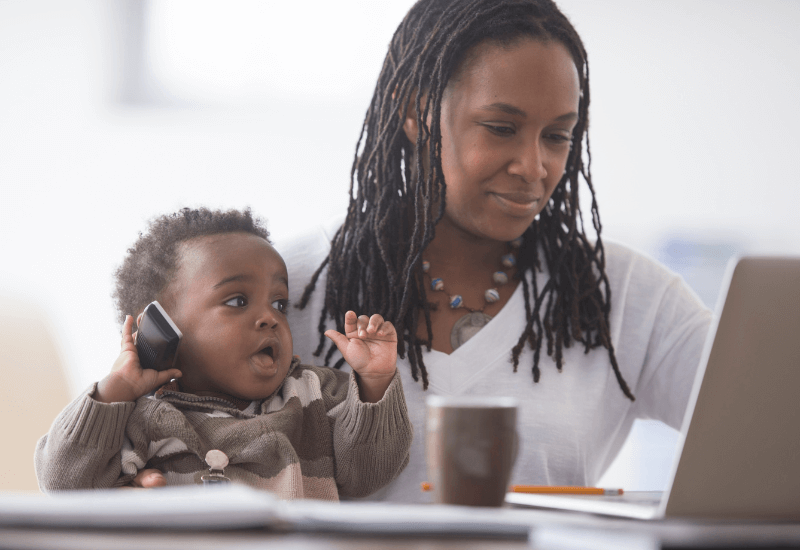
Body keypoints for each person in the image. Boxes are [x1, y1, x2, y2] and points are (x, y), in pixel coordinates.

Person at [132, 0, 713, 501]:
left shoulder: (627, 296)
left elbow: (767, 431)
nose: (535, 167)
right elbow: (146, 436)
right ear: (415, 111)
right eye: (501, 128)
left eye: (558, 136)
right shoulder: (285, 295)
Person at [35, 207, 412, 500]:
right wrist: (114, 390)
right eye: (237, 300)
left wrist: (375, 384)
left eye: (279, 304)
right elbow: (65, 484)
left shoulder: (314, 395)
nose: (269, 318)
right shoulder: (141, 417)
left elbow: (366, 476)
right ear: (162, 327)